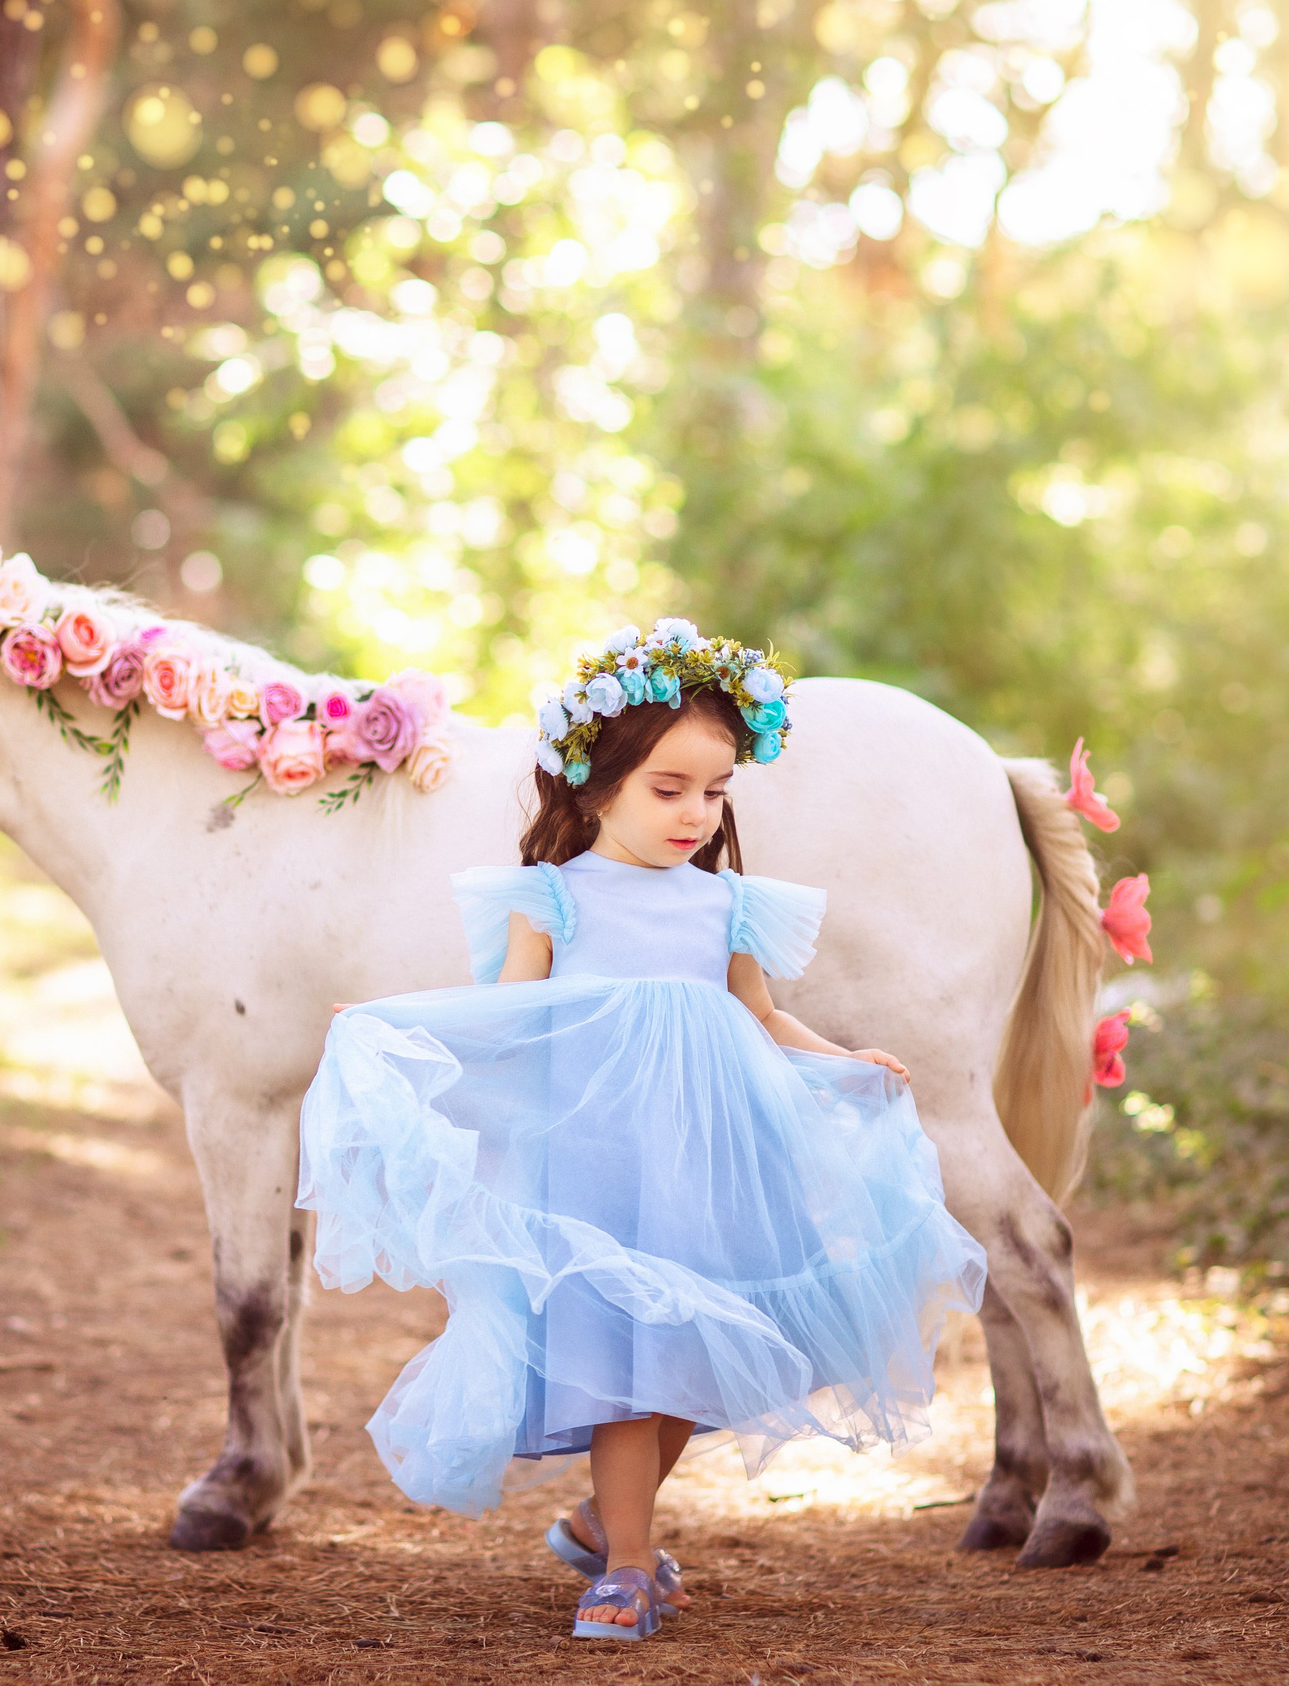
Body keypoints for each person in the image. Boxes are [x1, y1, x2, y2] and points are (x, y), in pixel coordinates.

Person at [298, 620, 987, 1642]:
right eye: (669, 789)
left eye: (714, 793)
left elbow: (757, 1015)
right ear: (592, 783)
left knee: (689, 1356)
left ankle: (600, 1523)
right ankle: (626, 1562)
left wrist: (841, 1060)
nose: (696, 816)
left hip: (710, 1157)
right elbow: (510, 1016)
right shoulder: (552, 899)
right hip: (594, 1161)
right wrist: (399, 1027)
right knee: (628, 1360)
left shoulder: (727, 906)